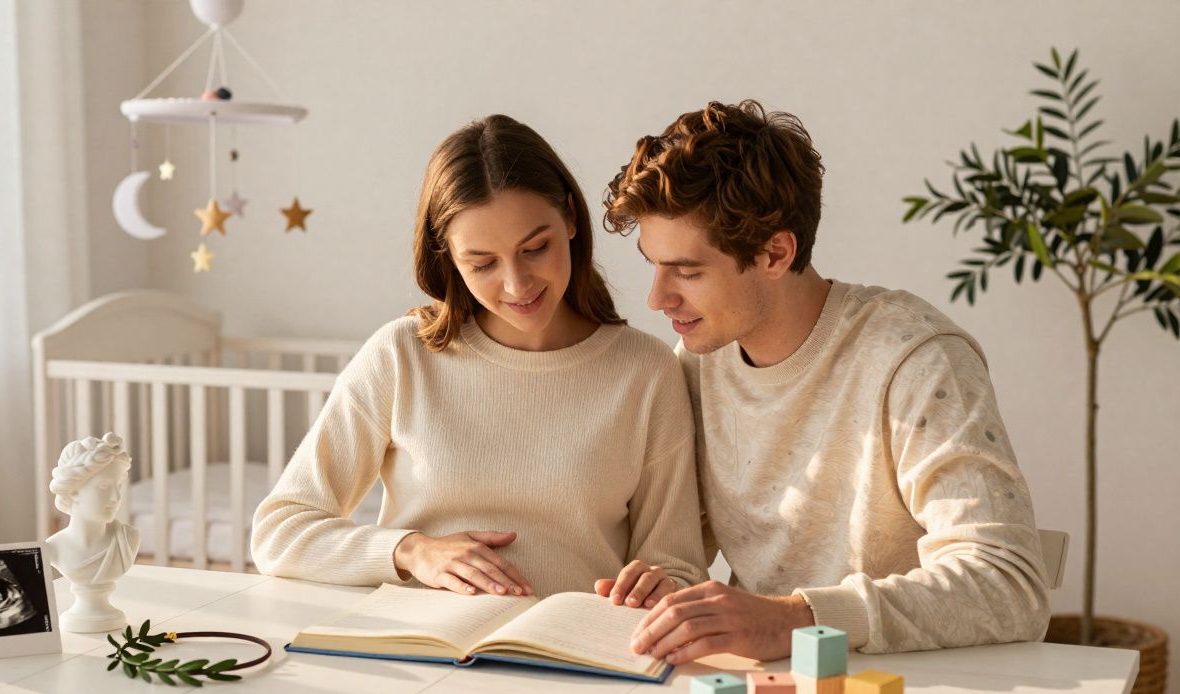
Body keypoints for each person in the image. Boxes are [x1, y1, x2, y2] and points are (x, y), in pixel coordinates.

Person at [597, 100, 1050, 662]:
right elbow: (689, 547)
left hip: (908, 689)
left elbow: (1009, 585)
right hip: (760, 684)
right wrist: (669, 585)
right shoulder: (699, 360)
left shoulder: (917, 360)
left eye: (688, 271)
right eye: (654, 265)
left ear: (775, 253)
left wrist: (794, 620)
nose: (657, 299)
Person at [252, 114, 706, 601]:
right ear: (447, 256)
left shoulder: (647, 372)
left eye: (535, 248)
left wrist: (658, 586)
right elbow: (278, 534)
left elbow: (678, 570)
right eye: (483, 263)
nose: (517, 285)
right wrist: (411, 551)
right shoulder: (402, 356)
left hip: (570, 659)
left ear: (571, 218)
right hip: (416, 652)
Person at [46, 432, 139, 586]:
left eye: (119, 486)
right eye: (104, 486)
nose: (115, 497)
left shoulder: (128, 539)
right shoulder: (53, 548)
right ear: (74, 491)